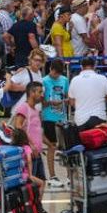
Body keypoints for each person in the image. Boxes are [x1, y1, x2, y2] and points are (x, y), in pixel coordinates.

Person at [69, 56, 107, 130]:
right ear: (94, 66)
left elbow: (72, 102)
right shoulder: (102, 78)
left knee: (82, 141)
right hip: (98, 118)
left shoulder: (74, 80)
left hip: (80, 120)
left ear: (81, 67)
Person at [41, 59, 69, 188]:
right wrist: (52, 102)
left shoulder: (64, 80)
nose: (56, 75)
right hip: (49, 117)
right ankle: (52, 176)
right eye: (54, 72)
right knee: (51, 146)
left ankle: (69, 175)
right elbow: (41, 102)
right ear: (50, 69)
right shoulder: (44, 81)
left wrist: (64, 101)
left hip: (62, 118)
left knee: (65, 147)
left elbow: (68, 97)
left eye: (58, 73)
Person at [13, 82, 47, 183]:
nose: (42, 95)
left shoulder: (35, 110)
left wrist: (49, 144)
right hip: (29, 154)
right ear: (32, 93)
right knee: (32, 184)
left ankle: (37, 200)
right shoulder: (24, 108)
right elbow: (18, 126)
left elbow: (38, 132)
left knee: (41, 183)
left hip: (37, 153)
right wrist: (31, 145)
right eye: (40, 92)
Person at [10, 129, 46, 213]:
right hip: (24, 175)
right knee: (42, 183)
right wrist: (30, 174)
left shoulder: (12, 148)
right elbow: (29, 160)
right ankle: (38, 203)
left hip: (15, 175)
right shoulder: (26, 148)